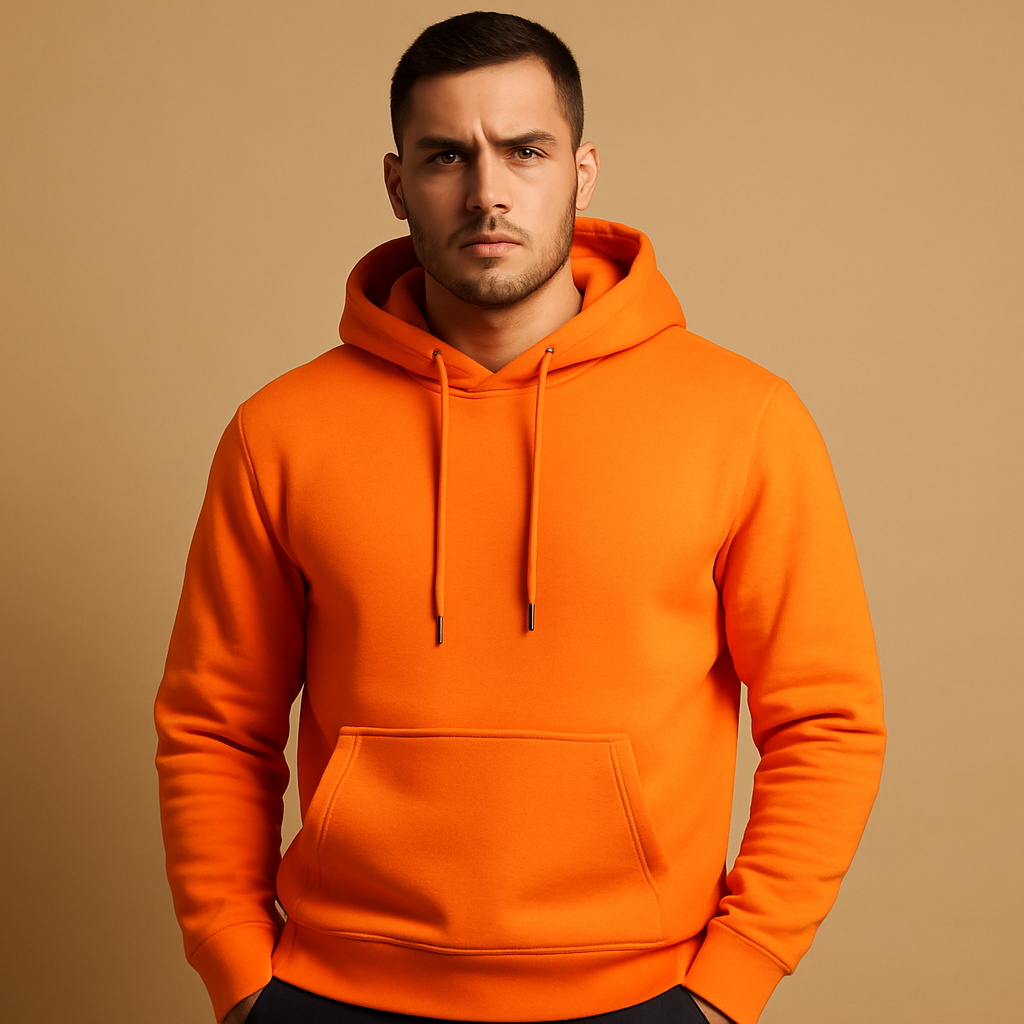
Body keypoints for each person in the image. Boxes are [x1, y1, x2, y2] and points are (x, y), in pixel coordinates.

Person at [155, 12, 886, 1024]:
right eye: (446, 155)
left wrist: (737, 975)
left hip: (646, 994)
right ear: (397, 183)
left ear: (582, 172)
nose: (487, 191)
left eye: (525, 151)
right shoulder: (280, 431)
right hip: (333, 988)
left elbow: (828, 721)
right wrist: (236, 966)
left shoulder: (743, 418)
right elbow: (215, 725)